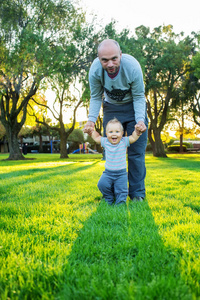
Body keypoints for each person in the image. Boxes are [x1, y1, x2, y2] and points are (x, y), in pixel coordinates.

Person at [83, 39, 148, 201]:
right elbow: (96, 96)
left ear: (121, 55)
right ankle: (112, 194)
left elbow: (139, 96)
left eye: (114, 58)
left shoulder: (132, 67)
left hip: (134, 108)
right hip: (112, 110)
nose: (110, 64)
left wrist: (140, 121)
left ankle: (137, 194)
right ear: (99, 59)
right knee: (111, 151)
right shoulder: (96, 71)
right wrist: (91, 120)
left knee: (136, 153)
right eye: (104, 60)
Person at [91, 118, 142, 205]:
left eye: (117, 132)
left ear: (122, 133)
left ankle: (120, 203)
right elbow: (96, 137)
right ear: (106, 134)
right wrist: (91, 131)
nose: (114, 134)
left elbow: (133, 137)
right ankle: (109, 197)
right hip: (108, 173)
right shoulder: (105, 141)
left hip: (121, 174)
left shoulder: (124, 141)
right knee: (101, 184)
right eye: (110, 132)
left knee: (122, 190)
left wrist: (137, 132)